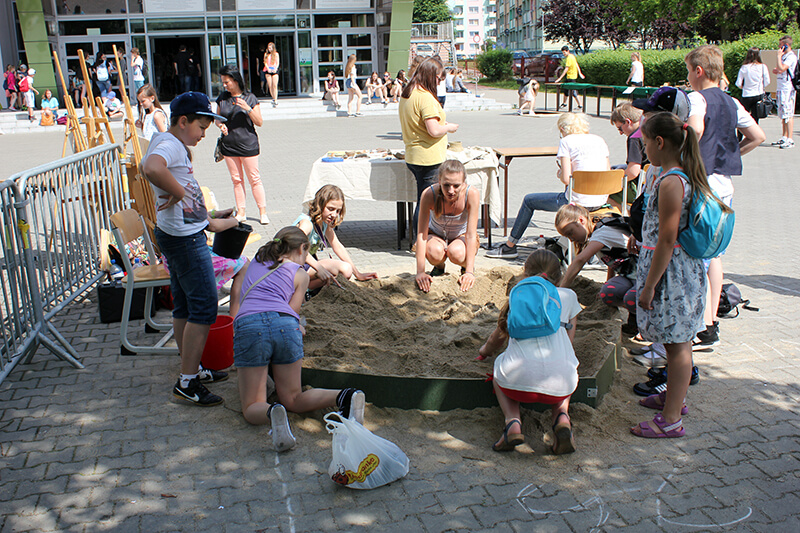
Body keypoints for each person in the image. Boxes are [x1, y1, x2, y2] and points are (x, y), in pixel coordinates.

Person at [629, 112, 724, 439]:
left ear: (659, 142)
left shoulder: (672, 181)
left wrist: (650, 287)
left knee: (679, 345)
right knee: (673, 342)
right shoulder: (674, 175)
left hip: (671, 275)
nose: (643, 149)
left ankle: (671, 420)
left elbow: (667, 238)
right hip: (673, 270)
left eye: (644, 142)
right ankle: (673, 399)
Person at [141, 91, 237, 407]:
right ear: (183, 121)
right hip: (185, 240)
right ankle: (187, 382)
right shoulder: (169, 144)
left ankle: (191, 369)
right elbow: (150, 168)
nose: (204, 134)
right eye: (201, 126)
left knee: (183, 305)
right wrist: (181, 193)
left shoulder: (171, 142)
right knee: (205, 307)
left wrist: (207, 215)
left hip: (178, 234)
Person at [232, 226, 366, 452]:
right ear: (302, 248)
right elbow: (292, 311)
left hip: (250, 325)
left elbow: (239, 293)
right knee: (293, 398)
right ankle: (345, 396)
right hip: (285, 327)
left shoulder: (254, 262)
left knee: (252, 405)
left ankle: (270, 412)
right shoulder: (300, 274)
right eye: (307, 253)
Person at [684, 45, 765, 347]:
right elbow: (758, 136)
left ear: (699, 71)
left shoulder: (696, 98)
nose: (689, 77)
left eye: (689, 71)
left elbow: (694, 129)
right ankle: (709, 323)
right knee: (714, 254)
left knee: (694, 253)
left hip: (701, 183)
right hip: (724, 186)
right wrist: (731, 154)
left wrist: (687, 161)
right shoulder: (731, 102)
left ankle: (694, 322)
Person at [477, 249, 581, 454]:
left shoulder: (518, 297)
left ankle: (512, 422)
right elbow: (569, 342)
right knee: (566, 363)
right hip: (560, 386)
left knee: (499, 364)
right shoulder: (568, 296)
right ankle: (561, 417)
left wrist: (485, 351)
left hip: (517, 383)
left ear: (525, 273)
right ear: (559, 276)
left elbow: (496, 338)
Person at [487, 112, 609, 259]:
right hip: (601, 200)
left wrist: (560, 173)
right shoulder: (599, 140)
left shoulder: (567, 141)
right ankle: (590, 253)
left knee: (529, 200)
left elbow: (565, 178)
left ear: (564, 129)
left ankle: (510, 246)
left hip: (577, 201)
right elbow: (607, 171)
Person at [554, 203, 637, 336]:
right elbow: (612, 260)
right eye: (567, 237)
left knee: (632, 298)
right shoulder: (597, 234)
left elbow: (579, 261)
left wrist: (560, 292)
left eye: (571, 233)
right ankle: (636, 314)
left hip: (646, 274)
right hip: (631, 274)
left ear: (581, 220)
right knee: (607, 293)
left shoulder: (602, 233)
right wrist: (608, 281)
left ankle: (640, 320)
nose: (571, 238)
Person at [399, 57, 459, 236]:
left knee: (423, 200)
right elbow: (433, 130)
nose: (440, 82)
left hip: (414, 155)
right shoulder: (425, 97)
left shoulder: (408, 93)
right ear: (430, 75)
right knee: (425, 203)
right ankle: (420, 241)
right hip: (428, 157)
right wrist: (448, 127)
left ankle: (421, 240)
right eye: (439, 78)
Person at [294, 184, 378, 293]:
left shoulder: (324, 223)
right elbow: (297, 246)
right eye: (331, 209)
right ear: (320, 205)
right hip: (292, 266)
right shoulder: (306, 223)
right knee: (344, 269)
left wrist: (357, 273)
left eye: (338, 211)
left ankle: (305, 289)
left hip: (304, 265)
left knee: (342, 271)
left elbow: (337, 246)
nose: (334, 214)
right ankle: (300, 289)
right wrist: (318, 268)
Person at [214, 65, 269, 226]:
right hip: (229, 145)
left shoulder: (250, 98)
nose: (224, 85)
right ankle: (241, 212)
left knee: (254, 179)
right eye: (223, 82)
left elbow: (259, 122)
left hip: (248, 145)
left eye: (227, 82)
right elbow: (217, 117)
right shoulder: (222, 98)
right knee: (236, 180)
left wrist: (248, 108)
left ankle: (262, 212)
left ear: (236, 80)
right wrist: (220, 125)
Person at [415, 159, 479, 293]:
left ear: (464, 183)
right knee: (434, 252)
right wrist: (420, 272)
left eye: (456, 186)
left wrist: (470, 271)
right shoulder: (429, 193)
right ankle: (439, 266)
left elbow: (471, 235)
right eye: (446, 185)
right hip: (436, 234)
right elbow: (421, 234)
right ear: (439, 180)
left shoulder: (471, 193)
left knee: (456, 253)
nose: (451, 191)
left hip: (460, 236)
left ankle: (464, 267)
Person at [608, 103, 647, 210]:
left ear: (628, 122)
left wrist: (613, 182)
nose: (621, 133)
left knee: (602, 192)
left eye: (620, 128)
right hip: (653, 180)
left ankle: (628, 214)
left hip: (641, 187)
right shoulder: (649, 129)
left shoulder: (634, 137)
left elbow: (633, 171)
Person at [772, 36, 797, 149]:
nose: (779, 47)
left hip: (788, 88)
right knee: (782, 113)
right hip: (781, 87)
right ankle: (784, 136)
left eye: (780, 44)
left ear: (786, 45)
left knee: (788, 113)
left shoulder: (791, 57)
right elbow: (780, 69)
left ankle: (790, 138)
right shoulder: (785, 56)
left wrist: (778, 56)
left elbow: (782, 68)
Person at [735, 48, 770, 127]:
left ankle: (739, 137)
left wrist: (743, 87)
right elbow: (767, 81)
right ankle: (754, 136)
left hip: (747, 94)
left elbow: (738, 83)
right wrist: (761, 87)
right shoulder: (763, 67)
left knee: (742, 116)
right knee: (755, 117)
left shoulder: (744, 67)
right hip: (758, 94)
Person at [554, 45, 584, 109]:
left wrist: (559, 78)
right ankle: (564, 103)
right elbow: (576, 64)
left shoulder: (569, 58)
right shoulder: (572, 56)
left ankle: (580, 104)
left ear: (568, 51)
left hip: (571, 77)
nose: (564, 54)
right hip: (569, 76)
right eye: (563, 53)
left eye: (564, 52)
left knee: (573, 91)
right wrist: (580, 73)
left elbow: (566, 69)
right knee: (566, 90)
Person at [264, 42, 280, 107]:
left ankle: (275, 99)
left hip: (274, 70)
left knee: (275, 85)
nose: (269, 49)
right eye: (268, 48)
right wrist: (268, 68)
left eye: (270, 48)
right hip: (268, 70)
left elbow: (277, 62)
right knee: (270, 85)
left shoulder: (276, 54)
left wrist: (275, 68)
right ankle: (273, 97)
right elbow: (265, 62)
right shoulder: (266, 54)